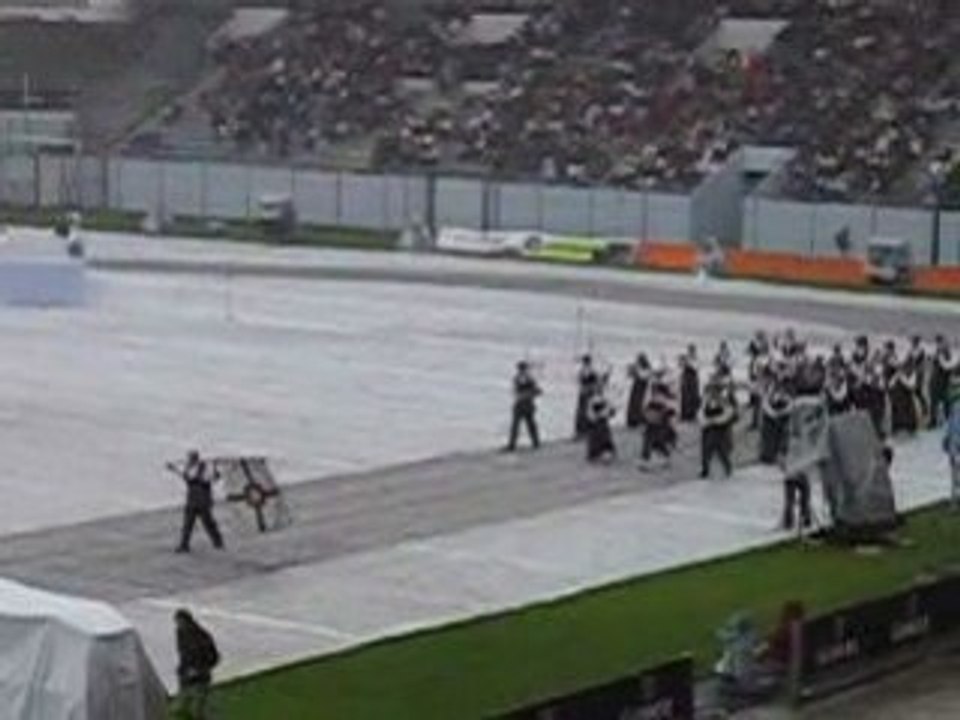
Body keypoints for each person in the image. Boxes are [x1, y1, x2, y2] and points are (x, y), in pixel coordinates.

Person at [171, 450, 225, 553]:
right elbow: (186, 477)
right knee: (187, 524)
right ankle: (184, 545)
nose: (189, 460)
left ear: (195, 458)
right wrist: (174, 469)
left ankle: (218, 543)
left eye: (191, 458)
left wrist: (214, 466)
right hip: (192, 500)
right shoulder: (189, 468)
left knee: (209, 523)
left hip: (203, 502)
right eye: (189, 458)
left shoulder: (204, 467)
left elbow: (213, 478)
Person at [175, 609, 219, 720]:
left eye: (180, 622)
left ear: (187, 621)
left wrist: (199, 669)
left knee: (197, 710)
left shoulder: (202, 636)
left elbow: (213, 657)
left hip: (201, 675)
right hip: (186, 675)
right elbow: (183, 653)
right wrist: (182, 668)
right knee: (182, 707)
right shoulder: (180, 633)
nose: (179, 625)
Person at [700, 378, 736, 479]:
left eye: (714, 390)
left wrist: (715, 421)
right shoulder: (706, 401)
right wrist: (704, 421)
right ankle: (705, 469)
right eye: (711, 390)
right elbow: (701, 412)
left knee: (721, 450)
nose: (712, 393)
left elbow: (728, 413)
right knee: (706, 449)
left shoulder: (724, 401)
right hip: (708, 428)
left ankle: (727, 467)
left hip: (720, 429)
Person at [639, 379, 676, 470]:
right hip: (651, 426)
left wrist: (670, 427)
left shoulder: (665, 405)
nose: (656, 395)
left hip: (660, 428)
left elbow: (670, 417)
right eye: (654, 393)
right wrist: (644, 420)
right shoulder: (651, 403)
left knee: (659, 443)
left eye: (658, 393)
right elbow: (645, 413)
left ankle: (664, 457)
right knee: (647, 442)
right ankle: (645, 460)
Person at [505, 361, 541, 451]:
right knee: (523, 425)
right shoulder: (521, 378)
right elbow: (536, 391)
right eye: (520, 369)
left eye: (521, 369)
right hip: (523, 404)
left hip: (524, 404)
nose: (521, 371)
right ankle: (534, 443)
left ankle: (514, 445)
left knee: (526, 425)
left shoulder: (527, 379)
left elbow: (537, 391)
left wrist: (526, 395)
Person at [759, 381, 792, 464]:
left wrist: (780, 413)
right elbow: (765, 405)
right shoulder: (768, 396)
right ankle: (768, 455)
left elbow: (790, 406)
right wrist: (773, 414)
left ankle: (779, 454)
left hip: (781, 419)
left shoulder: (786, 396)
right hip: (771, 420)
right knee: (769, 437)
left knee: (782, 436)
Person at [585, 391, 617, 463]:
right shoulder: (592, 402)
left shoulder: (604, 400)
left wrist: (606, 411)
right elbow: (590, 416)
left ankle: (604, 452)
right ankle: (599, 453)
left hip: (601, 427)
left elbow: (612, 412)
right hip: (597, 428)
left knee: (603, 434)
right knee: (597, 435)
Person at [574, 354, 600, 439]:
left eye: (584, 362)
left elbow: (580, 381)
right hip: (587, 392)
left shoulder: (586, 371)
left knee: (584, 411)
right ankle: (586, 431)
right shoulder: (591, 370)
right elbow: (596, 382)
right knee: (585, 411)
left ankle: (583, 431)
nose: (584, 363)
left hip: (586, 393)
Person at [943, 384, 960, 509]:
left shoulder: (956, 407)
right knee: (954, 475)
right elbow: (950, 427)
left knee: (955, 475)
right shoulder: (954, 408)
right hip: (954, 445)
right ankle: (953, 502)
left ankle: (954, 502)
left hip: (956, 445)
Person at [625, 353, 652, 429]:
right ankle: (633, 420)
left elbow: (643, 376)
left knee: (638, 404)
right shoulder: (640, 368)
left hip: (641, 389)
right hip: (636, 389)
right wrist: (632, 370)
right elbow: (629, 375)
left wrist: (636, 370)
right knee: (633, 404)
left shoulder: (647, 369)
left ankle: (636, 420)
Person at [679, 345, 701, 423]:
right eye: (690, 350)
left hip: (693, 379)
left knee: (693, 396)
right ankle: (684, 415)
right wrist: (682, 362)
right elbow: (680, 365)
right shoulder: (686, 357)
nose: (691, 352)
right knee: (685, 396)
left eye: (692, 350)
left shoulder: (695, 358)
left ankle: (692, 415)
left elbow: (696, 367)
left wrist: (688, 363)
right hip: (686, 378)